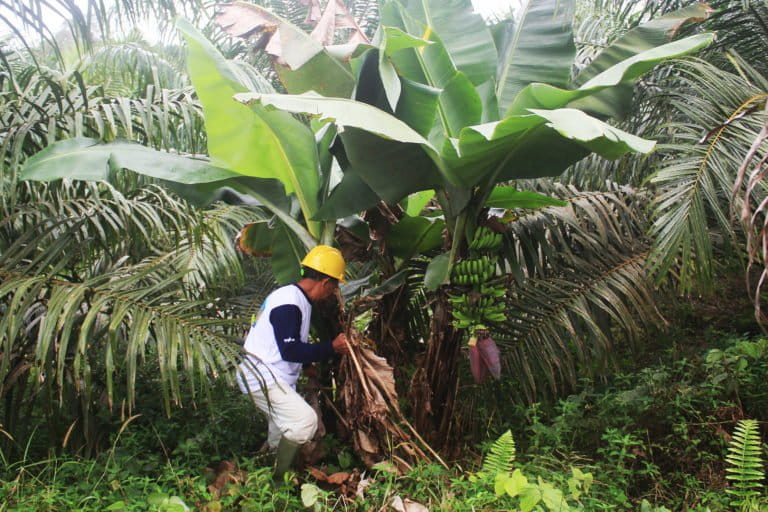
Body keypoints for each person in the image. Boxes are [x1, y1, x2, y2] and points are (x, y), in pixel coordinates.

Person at [237, 245, 349, 482]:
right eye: (334, 287)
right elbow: (290, 349)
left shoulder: (295, 298)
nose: (332, 293)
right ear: (325, 282)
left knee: (280, 430)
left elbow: (284, 342)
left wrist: (306, 366)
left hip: (266, 374)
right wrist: (332, 347)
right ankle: (278, 479)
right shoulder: (289, 302)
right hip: (262, 376)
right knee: (304, 422)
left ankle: (265, 475)